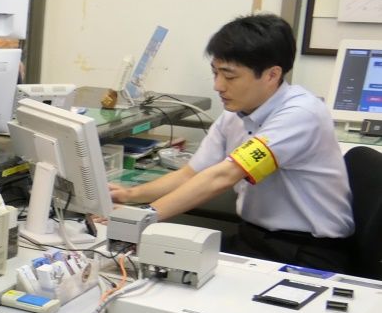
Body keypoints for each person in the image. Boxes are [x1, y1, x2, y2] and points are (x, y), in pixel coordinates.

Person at [109, 14, 354, 271]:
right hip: (254, 239)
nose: (218, 86)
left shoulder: (301, 114)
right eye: (215, 73)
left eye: (230, 76)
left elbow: (223, 177)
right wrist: (130, 196)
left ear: (272, 75)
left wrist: (142, 217)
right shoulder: (235, 113)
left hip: (307, 251)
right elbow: (192, 174)